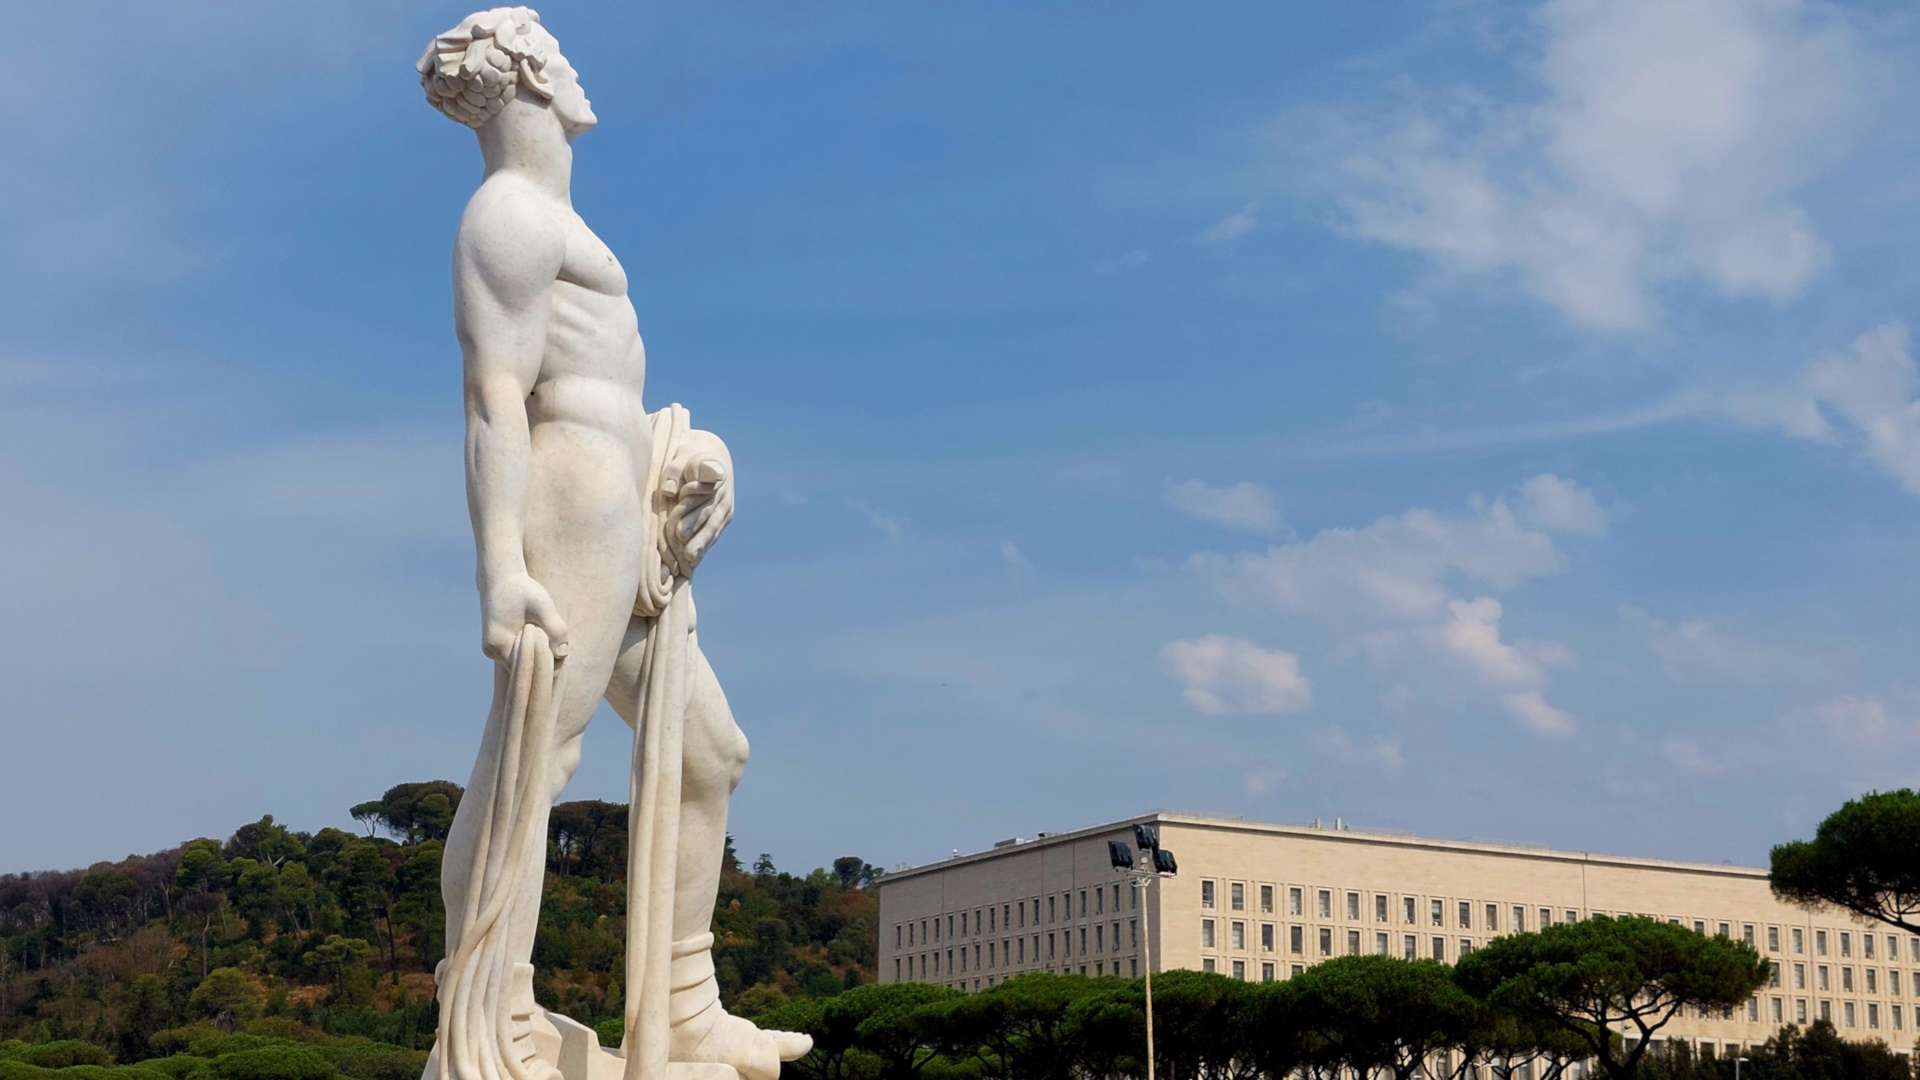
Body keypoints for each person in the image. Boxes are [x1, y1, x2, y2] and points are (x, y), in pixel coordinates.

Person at [416, 10, 810, 1080]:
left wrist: (693, 455)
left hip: (627, 497)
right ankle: (484, 1004)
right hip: (576, 500)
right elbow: (494, 398)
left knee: (708, 756)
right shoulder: (505, 217)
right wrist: (502, 569)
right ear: (536, 73)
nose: (582, 75)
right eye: (566, 56)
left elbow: (605, 384)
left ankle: (685, 1008)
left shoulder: (546, 214)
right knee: (531, 759)